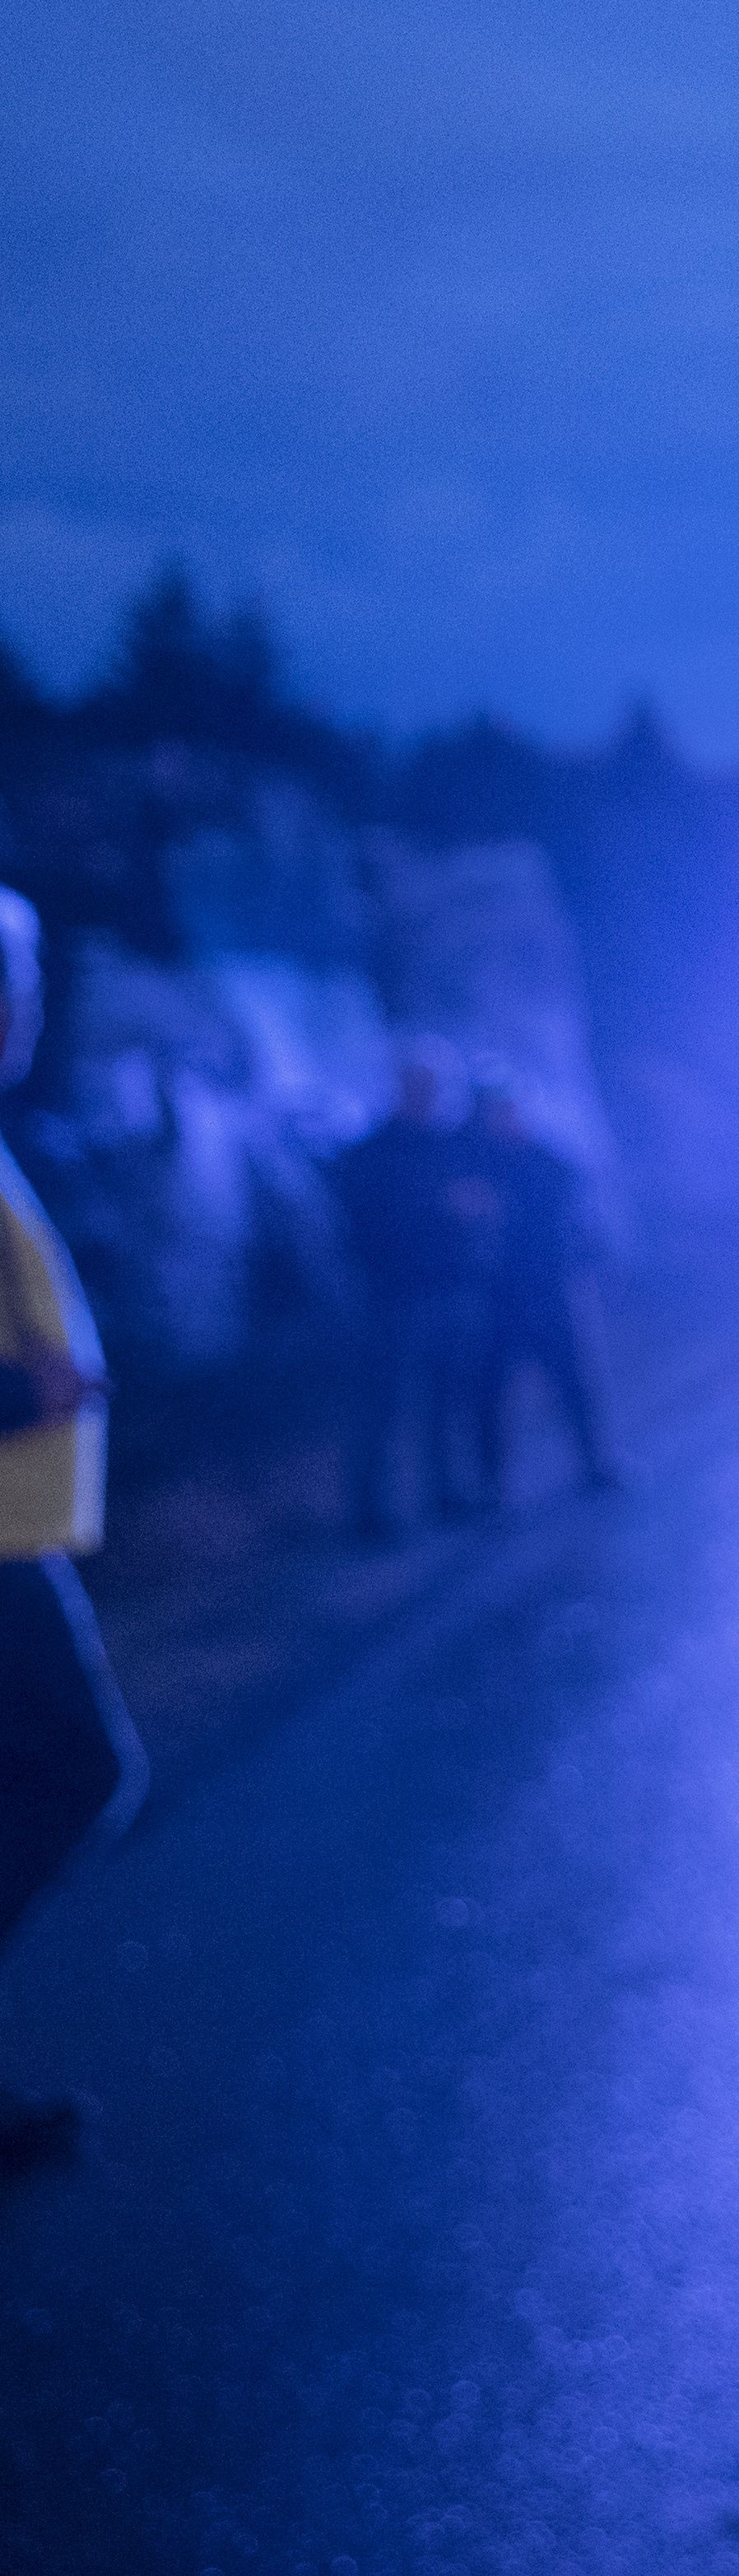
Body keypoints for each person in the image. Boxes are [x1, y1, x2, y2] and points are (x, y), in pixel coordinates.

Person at [0, 887, 138, 2178]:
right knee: (87, 1769)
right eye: (10, 988)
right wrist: (23, 1395)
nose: (25, 1013)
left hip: (22, 1526)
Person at [331, 1050, 495, 1539]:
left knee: (445, 1396)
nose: (427, 1096)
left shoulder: (446, 1147)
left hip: (450, 1288)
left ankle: (444, 1491)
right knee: (384, 1403)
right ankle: (370, 1511)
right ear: (401, 1089)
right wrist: (441, 1208)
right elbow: (367, 1222)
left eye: (433, 1087)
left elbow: (474, 1203)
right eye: (419, 1086)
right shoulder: (372, 1153)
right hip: (396, 1295)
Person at [464, 1080, 615, 1500]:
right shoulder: (479, 1164)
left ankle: (594, 1462)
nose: (505, 1120)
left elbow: (567, 1204)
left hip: (549, 1290)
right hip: (501, 1296)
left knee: (574, 1380)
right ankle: (494, 1484)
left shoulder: (543, 1160)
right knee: (493, 1392)